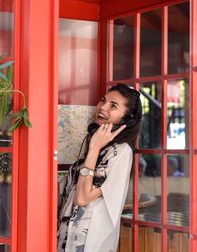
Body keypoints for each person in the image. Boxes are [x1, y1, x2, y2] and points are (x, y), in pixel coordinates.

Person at [57, 83, 142, 252]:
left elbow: (82, 198)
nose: (102, 107)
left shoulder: (121, 152)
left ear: (127, 119)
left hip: (88, 242)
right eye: (103, 100)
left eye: (113, 106)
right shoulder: (98, 145)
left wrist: (94, 149)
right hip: (65, 237)